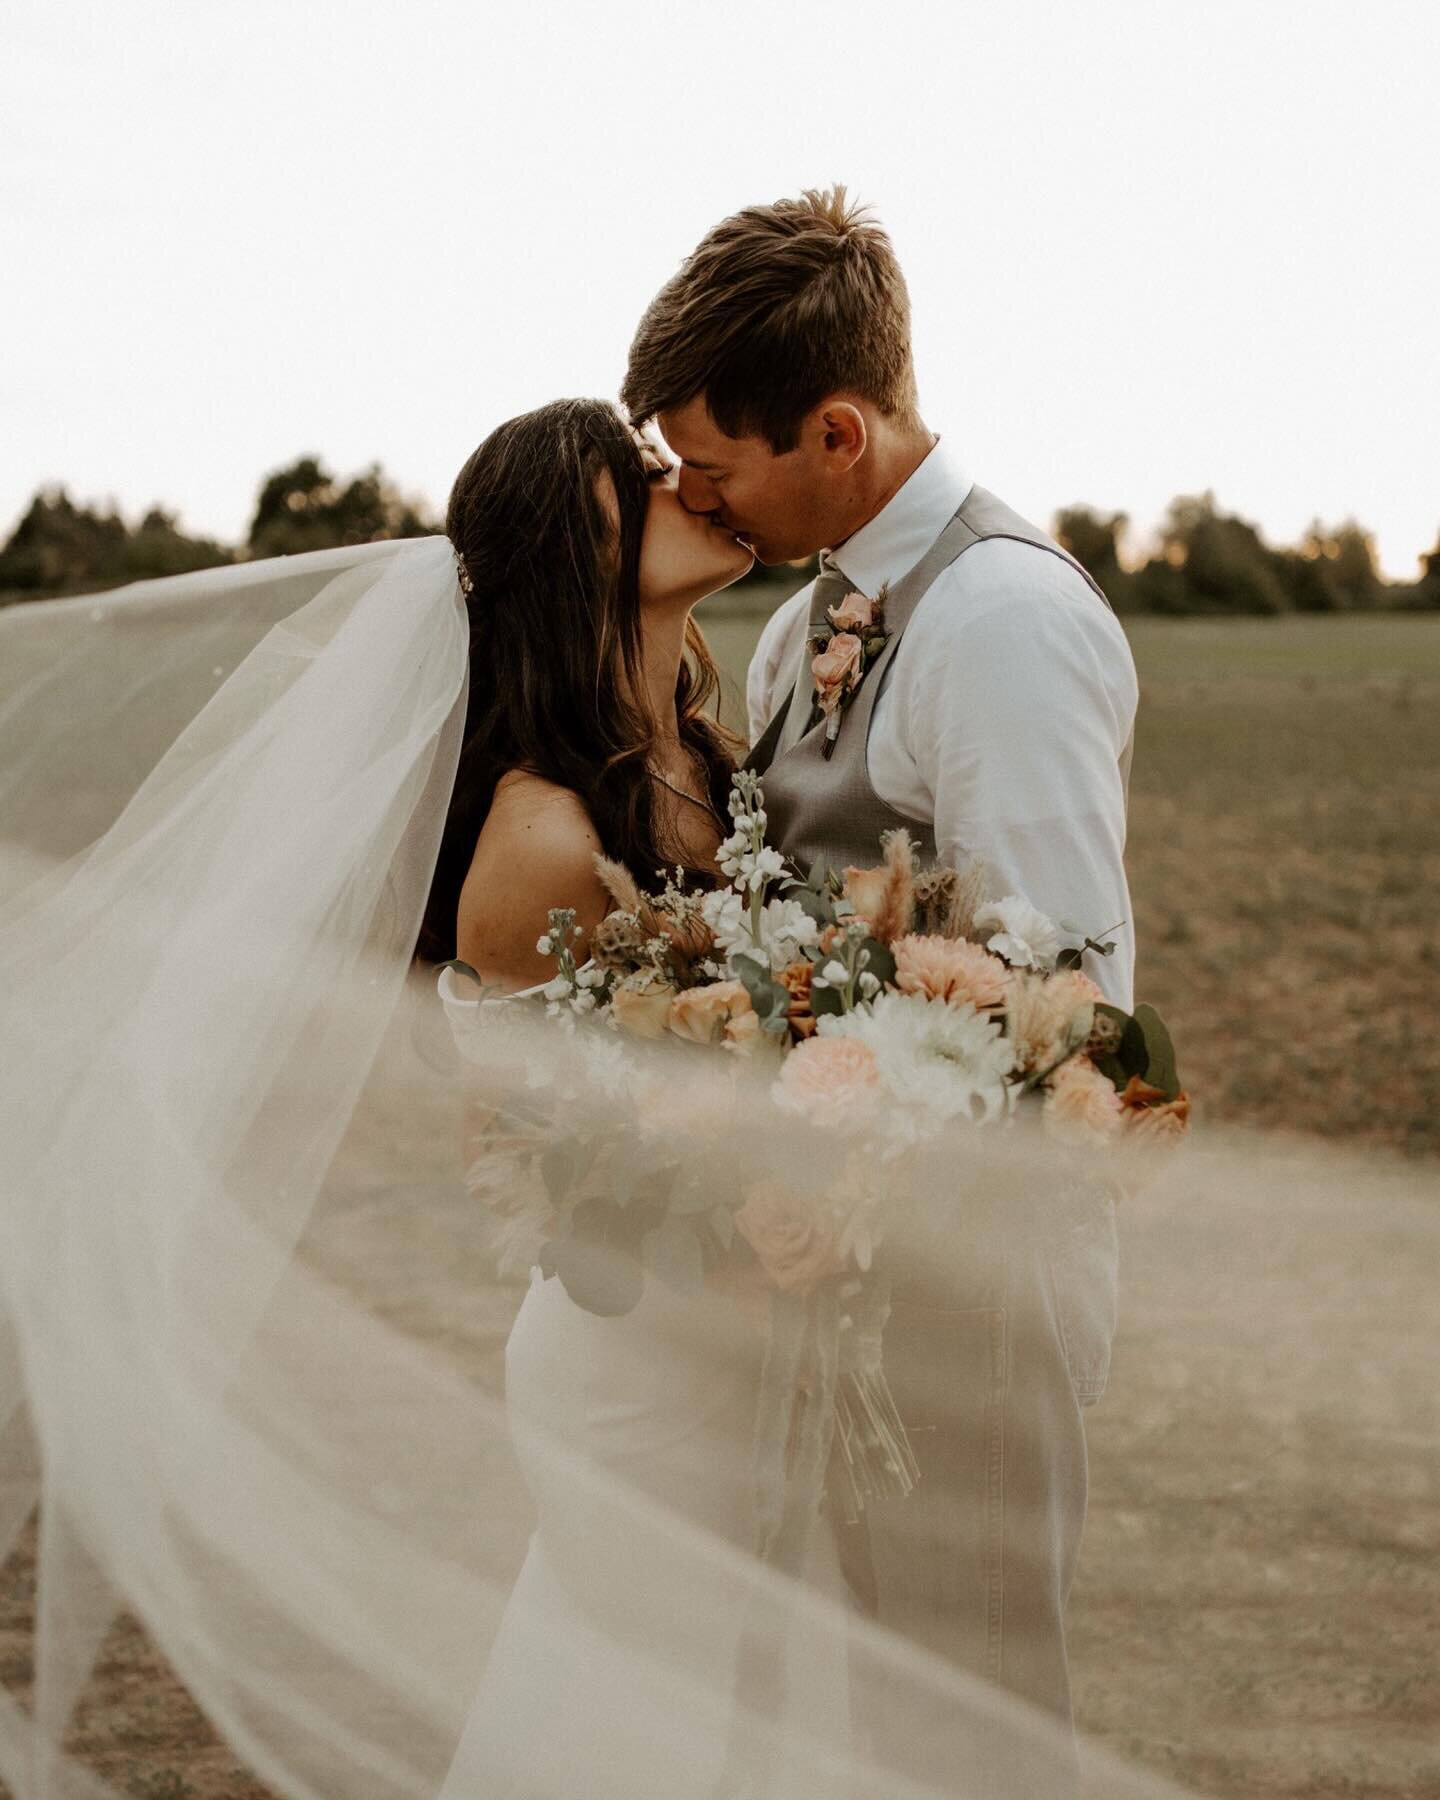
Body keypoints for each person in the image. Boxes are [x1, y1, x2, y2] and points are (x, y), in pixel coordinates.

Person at [621, 184, 1139, 1788]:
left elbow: (1066, 1008)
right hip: (826, 1264)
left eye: (713, 462)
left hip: (964, 1286)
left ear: (835, 432)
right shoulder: (803, 628)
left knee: (963, 1712)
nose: (688, 491)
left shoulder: (1000, 621)